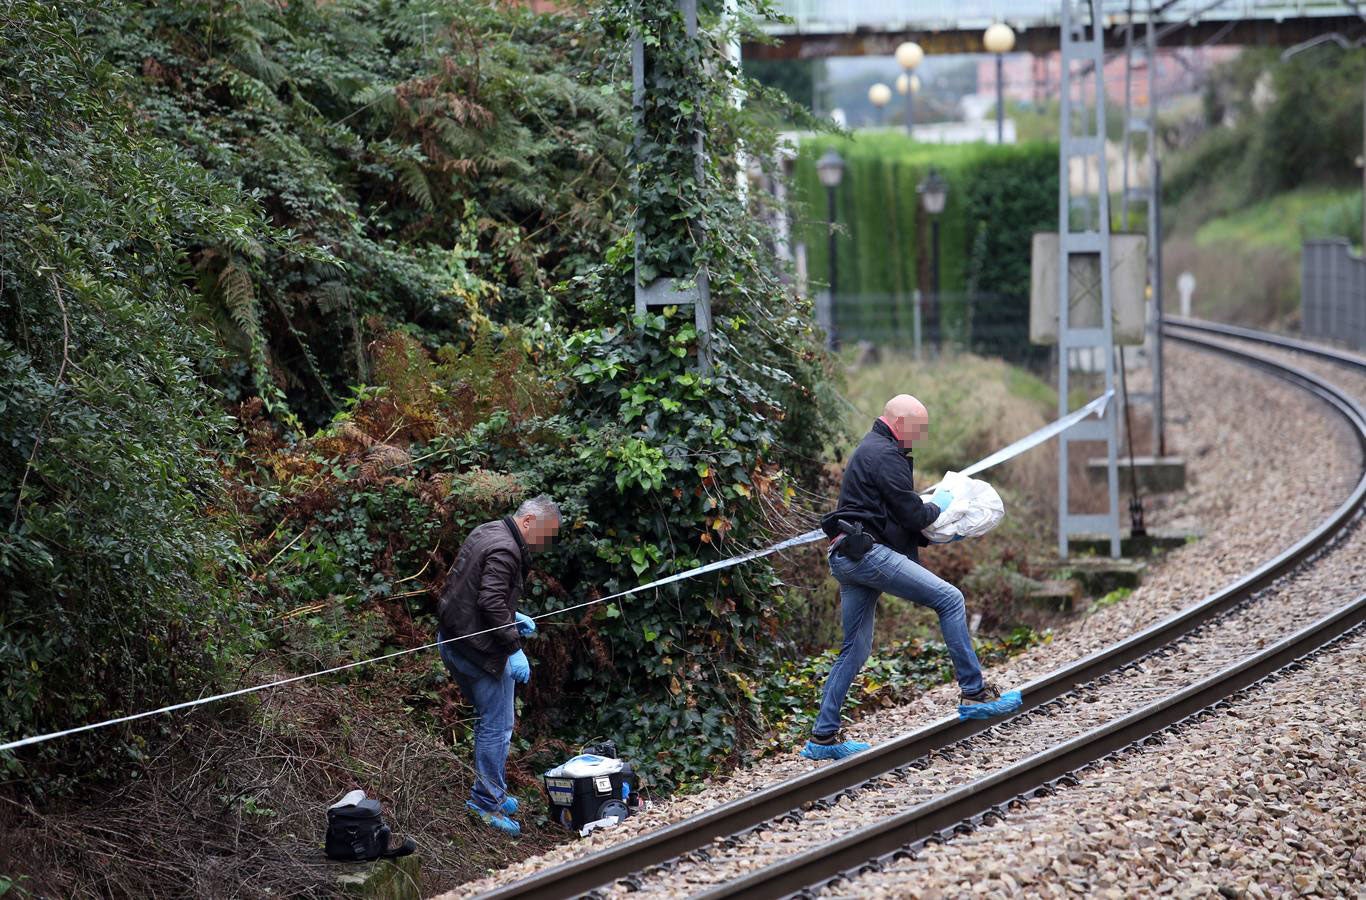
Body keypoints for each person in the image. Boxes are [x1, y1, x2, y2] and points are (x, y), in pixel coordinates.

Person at [803, 395, 1020, 761]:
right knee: (950, 599)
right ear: (900, 423)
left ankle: (822, 738)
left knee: (855, 648)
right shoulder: (885, 455)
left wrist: (926, 524)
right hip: (866, 554)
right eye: (918, 429)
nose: (919, 437)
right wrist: (946, 506)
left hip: (848, 553)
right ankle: (974, 693)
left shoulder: (872, 449)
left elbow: (891, 516)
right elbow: (913, 514)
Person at [437, 495, 561, 835]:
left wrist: (511, 616)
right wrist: (513, 647)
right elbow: (490, 600)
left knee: (488, 720)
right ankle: (485, 802)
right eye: (545, 535)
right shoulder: (506, 550)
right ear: (529, 523)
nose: (543, 544)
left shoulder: (489, 531)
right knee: (497, 724)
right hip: (478, 651)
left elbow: (467, 585)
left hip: (451, 639)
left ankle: (491, 789)